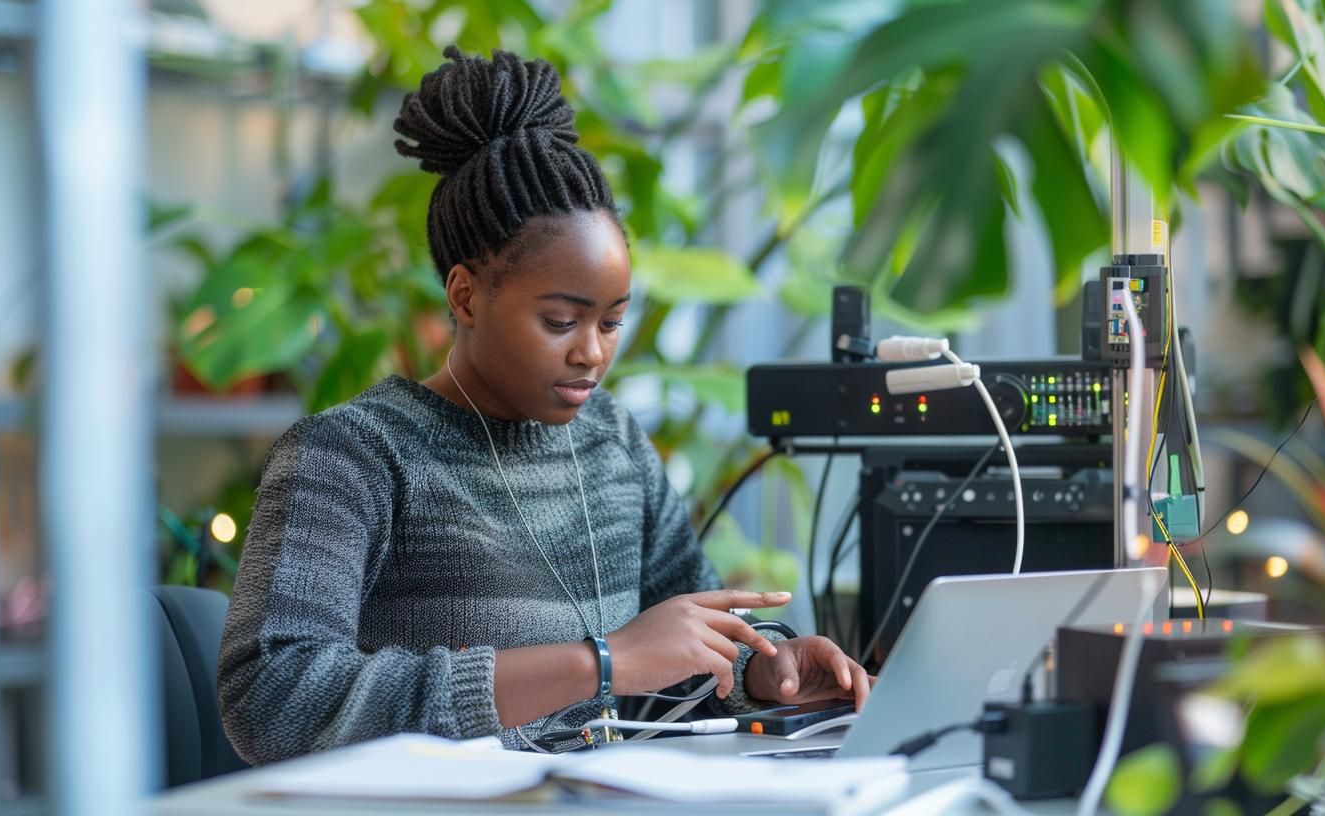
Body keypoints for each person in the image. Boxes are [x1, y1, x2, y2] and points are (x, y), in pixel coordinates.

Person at [217, 46, 871, 766]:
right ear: (465, 296)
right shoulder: (351, 455)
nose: (592, 351)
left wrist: (761, 672)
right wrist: (601, 663)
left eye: (612, 322)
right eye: (561, 321)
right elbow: (271, 700)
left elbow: (688, 650)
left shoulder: (613, 443)